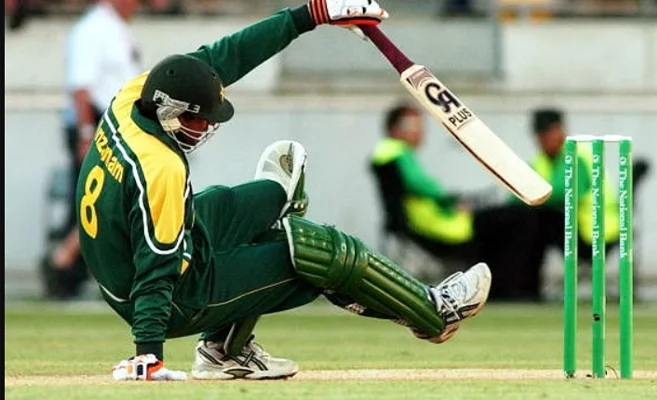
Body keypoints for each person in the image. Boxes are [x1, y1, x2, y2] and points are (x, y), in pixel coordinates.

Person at [76, 1, 493, 382]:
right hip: (170, 297)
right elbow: (156, 267)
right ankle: (434, 311)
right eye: (199, 121)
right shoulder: (160, 168)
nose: (207, 129)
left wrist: (312, 14)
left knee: (278, 193)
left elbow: (226, 56)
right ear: (168, 112)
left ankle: (224, 349)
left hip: (130, 257)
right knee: (320, 251)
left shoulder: (131, 98)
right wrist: (148, 353)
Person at [369, 103, 543, 302]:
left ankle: (503, 289)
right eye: (413, 126)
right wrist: (452, 201)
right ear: (393, 128)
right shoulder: (394, 152)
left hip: (437, 223)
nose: (419, 131)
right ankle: (510, 291)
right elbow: (422, 186)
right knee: (519, 218)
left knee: (509, 218)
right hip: (443, 226)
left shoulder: (388, 153)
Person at [49, 0, 142, 300]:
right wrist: (86, 134)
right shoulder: (92, 29)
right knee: (96, 200)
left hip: (115, 127)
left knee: (104, 200)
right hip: (97, 125)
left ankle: (66, 265)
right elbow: (81, 87)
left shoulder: (115, 28)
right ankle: (63, 266)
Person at [508, 108, 621, 294]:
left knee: (538, 220)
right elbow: (515, 195)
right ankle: (520, 286)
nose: (543, 140)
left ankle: (527, 288)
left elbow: (564, 193)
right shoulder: (540, 161)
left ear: (560, 130)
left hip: (597, 230)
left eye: (547, 133)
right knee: (526, 221)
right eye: (540, 135)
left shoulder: (579, 156)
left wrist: (532, 195)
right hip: (572, 228)